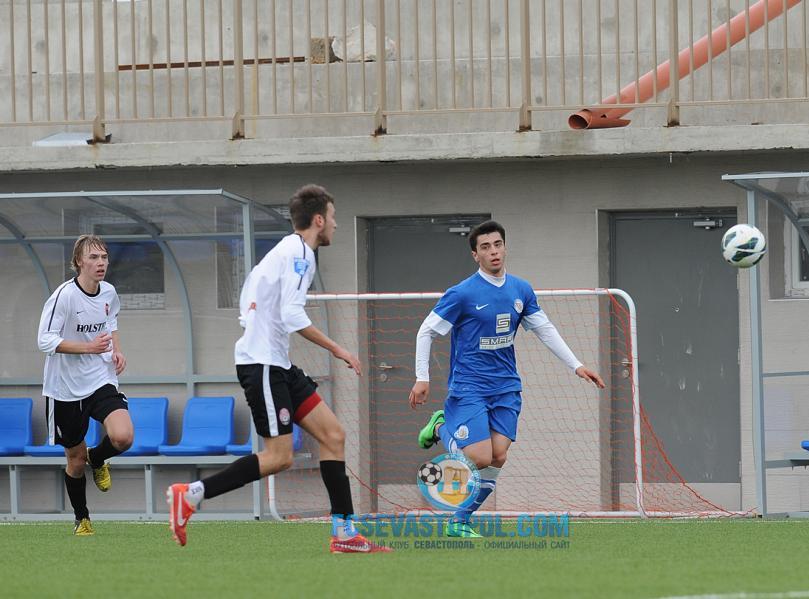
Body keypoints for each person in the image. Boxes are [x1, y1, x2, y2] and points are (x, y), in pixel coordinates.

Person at [167, 184, 388, 553]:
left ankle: (345, 534)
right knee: (279, 456)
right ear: (319, 220)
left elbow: (250, 304)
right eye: (333, 217)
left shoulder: (283, 251)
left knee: (333, 435)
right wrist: (339, 349)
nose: (335, 224)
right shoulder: (301, 254)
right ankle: (191, 494)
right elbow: (291, 315)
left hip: (276, 364)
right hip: (264, 366)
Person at [409, 220, 605, 537]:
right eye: (485, 247)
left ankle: (460, 520)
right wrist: (422, 377)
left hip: (506, 386)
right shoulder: (462, 293)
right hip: (470, 386)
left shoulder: (520, 289)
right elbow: (426, 331)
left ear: (504, 247)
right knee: (479, 456)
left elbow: (544, 329)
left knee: (497, 456)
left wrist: (576, 365)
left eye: (498, 244)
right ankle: (441, 426)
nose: (494, 252)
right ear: (475, 255)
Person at [37, 234, 134, 536]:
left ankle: (99, 456)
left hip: (100, 378)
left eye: (104, 257)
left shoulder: (109, 292)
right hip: (64, 388)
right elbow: (45, 341)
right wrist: (88, 347)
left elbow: (111, 322)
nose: (101, 263)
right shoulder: (64, 296)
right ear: (79, 261)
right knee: (75, 460)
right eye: (94, 257)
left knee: (123, 437)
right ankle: (82, 518)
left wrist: (116, 351)